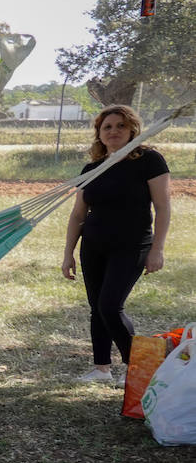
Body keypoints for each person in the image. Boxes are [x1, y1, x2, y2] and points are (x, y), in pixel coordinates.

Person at [61, 104, 171, 382]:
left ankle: (139, 368)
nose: (113, 131)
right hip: (94, 246)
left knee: (110, 306)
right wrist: (68, 254)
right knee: (96, 307)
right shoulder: (92, 169)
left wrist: (157, 249)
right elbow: (77, 215)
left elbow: (163, 207)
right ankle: (101, 369)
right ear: (99, 133)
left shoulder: (149, 160)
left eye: (120, 125)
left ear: (132, 129)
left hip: (132, 246)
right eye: (107, 127)